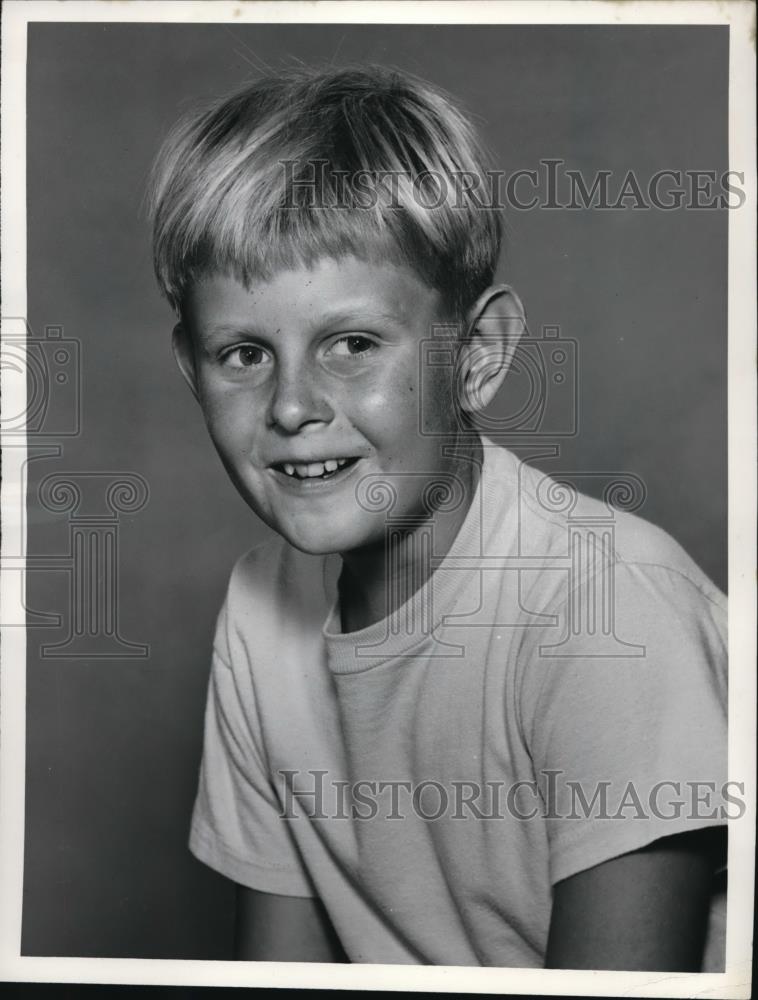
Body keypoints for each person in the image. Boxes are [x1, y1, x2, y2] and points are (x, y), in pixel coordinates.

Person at [147, 65, 728, 970]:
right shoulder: (262, 606)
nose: (292, 405)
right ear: (191, 368)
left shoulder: (614, 612)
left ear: (479, 355)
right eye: (244, 353)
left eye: (354, 345)